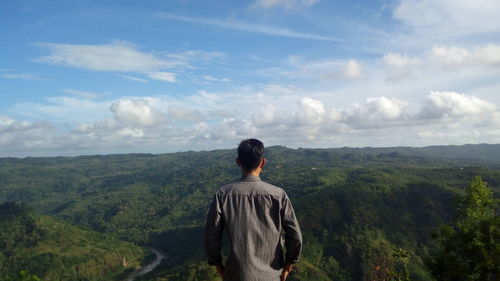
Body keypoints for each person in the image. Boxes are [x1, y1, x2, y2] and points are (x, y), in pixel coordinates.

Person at [205, 138, 302, 281]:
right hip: (271, 275)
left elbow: (211, 237)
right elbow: (295, 236)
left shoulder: (223, 195)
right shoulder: (278, 195)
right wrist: (289, 263)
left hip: (236, 274)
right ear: (263, 162)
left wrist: (218, 265)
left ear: (238, 162)